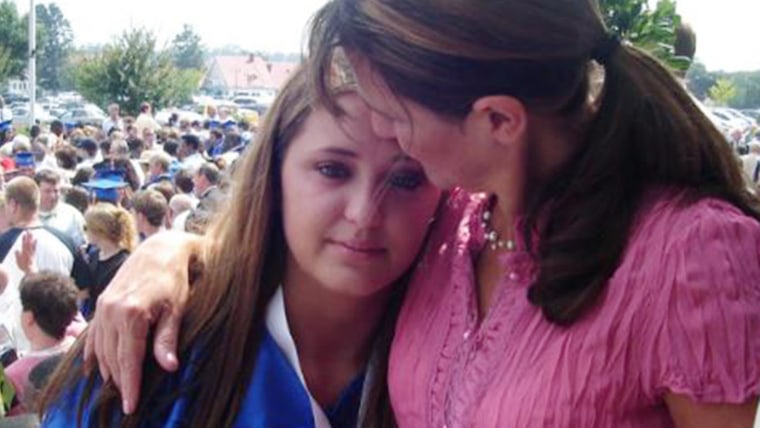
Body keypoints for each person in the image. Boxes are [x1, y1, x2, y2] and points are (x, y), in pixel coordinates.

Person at [84, 0, 760, 426]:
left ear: (498, 120)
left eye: (399, 121)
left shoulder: (692, 253)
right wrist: (169, 253)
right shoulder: (459, 223)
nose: (386, 133)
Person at [40, 65, 441, 426]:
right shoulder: (151, 343)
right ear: (275, 172)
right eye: (332, 169)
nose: (365, 212)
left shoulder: (456, 359)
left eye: (406, 179)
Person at [79, 202, 136, 320]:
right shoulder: (94, 255)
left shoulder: (123, 262)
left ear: (99, 231)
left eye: (86, 228)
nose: (84, 232)